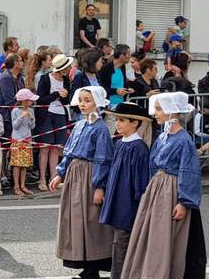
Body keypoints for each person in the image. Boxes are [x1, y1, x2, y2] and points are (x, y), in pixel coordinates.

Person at [121, 92, 206, 279]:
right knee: (153, 232)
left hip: (172, 191)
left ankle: (164, 271)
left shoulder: (184, 140)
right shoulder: (162, 136)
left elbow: (189, 171)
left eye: (159, 109)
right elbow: (153, 163)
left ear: (172, 111)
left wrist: (184, 202)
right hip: (158, 189)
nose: (155, 113)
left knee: (167, 235)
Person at [49, 86, 114, 279]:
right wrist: (60, 174)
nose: (83, 104)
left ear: (97, 103)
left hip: (89, 176)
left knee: (90, 221)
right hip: (74, 176)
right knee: (75, 219)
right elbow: (69, 152)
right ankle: (83, 261)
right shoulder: (79, 125)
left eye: (88, 100)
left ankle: (93, 266)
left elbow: (103, 158)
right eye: (81, 100)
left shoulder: (101, 129)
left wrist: (99, 186)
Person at [98, 102, 152, 279]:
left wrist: (137, 205)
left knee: (123, 242)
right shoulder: (120, 143)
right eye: (116, 120)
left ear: (134, 123)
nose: (117, 124)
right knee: (119, 243)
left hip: (128, 204)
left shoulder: (139, 148)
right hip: (118, 200)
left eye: (121, 120)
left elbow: (141, 181)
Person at [35, 54, 72, 191]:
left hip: (61, 114)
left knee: (56, 147)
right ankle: (42, 179)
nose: (69, 68)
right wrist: (57, 94)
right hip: (47, 115)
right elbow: (41, 99)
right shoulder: (45, 78)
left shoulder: (66, 80)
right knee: (45, 147)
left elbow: (66, 101)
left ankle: (54, 177)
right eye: (67, 66)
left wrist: (64, 96)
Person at [10, 88, 38, 197]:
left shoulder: (31, 110)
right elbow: (15, 126)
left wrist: (31, 119)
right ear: (24, 101)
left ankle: (23, 185)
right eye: (30, 100)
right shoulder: (15, 111)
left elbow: (32, 126)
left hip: (27, 140)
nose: (31, 102)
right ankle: (16, 186)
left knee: (25, 164)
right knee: (17, 164)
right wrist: (21, 117)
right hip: (17, 140)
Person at [0, 53, 25, 139]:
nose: (23, 63)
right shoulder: (5, 78)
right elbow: (10, 101)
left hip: (17, 115)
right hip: (7, 118)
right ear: (16, 63)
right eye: (21, 61)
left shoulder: (20, 77)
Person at [99, 44, 131, 109]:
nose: (130, 56)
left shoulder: (122, 67)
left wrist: (127, 89)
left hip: (121, 104)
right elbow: (101, 88)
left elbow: (121, 84)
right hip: (109, 106)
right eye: (128, 54)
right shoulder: (105, 68)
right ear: (121, 55)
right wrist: (116, 91)